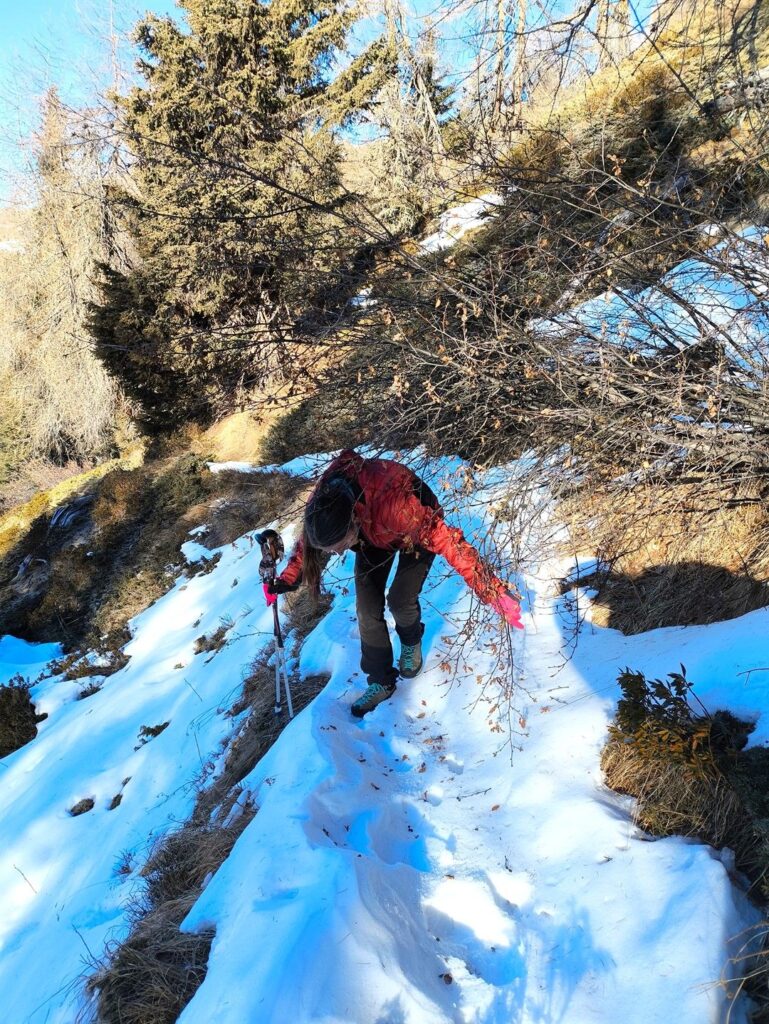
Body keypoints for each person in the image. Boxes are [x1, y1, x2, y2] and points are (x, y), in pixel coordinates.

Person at [264, 449, 523, 717]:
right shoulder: (324, 503)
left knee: (400, 599)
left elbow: (450, 544)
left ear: (352, 521)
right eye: (331, 550)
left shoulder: (401, 508)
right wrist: (287, 579)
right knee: (366, 610)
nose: (338, 553)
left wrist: (491, 590)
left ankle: (411, 641)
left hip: (414, 529)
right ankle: (381, 681)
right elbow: (309, 542)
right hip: (371, 533)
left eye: (339, 545)